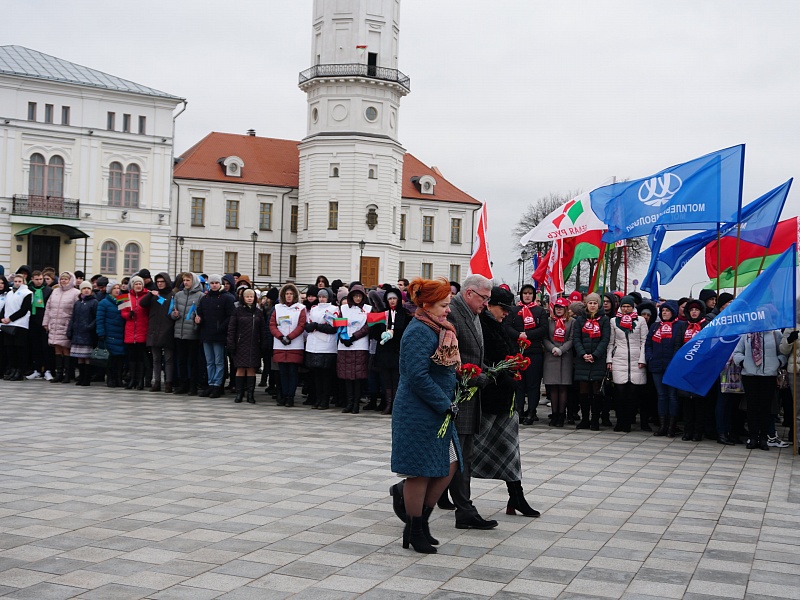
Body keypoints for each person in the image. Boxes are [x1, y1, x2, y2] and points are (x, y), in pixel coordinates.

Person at [391, 277, 462, 554]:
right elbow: (417, 376)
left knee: (450, 463)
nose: (448, 310)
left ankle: (419, 524)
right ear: (427, 304)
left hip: (439, 409)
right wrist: (444, 402)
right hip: (418, 410)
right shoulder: (419, 331)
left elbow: (440, 368)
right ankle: (416, 527)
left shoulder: (440, 328)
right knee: (419, 472)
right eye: (444, 305)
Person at [474, 286, 540, 517]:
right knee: (471, 450)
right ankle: (444, 493)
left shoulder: (499, 326)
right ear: (489, 305)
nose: (505, 313)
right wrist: (503, 375)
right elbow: (483, 359)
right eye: (502, 308)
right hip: (487, 399)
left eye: (507, 309)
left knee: (510, 451)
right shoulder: (480, 325)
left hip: (504, 399)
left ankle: (517, 496)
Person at [733, 329, 787, 450]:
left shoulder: (775, 333)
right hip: (750, 375)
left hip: (768, 375)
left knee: (765, 407)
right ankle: (753, 437)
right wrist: (743, 362)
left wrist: (778, 362)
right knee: (752, 407)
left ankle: (763, 438)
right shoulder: (746, 334)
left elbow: (782, 352)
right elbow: (737, 352)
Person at [503, 284, 547, 425]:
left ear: (534, 295)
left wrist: (527, 335)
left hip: (534, 351)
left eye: (530, 293)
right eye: (525, 293)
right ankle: (519, 410)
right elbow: (507, 326)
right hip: (517, 351)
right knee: (519, 383)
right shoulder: (514, 310)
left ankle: (532, 411)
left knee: (533, 384)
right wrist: (518, 335)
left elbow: (544, 328)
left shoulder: (540, 311)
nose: (527, 295)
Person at [606, 295, 648, 432]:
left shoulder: (640, 321)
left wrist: (642, 359)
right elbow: (611, 342)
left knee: (632, 393)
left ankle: (628, 422)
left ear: (633, 307)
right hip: (619, 359)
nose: (625, 309)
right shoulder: (613, 321)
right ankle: (620, 421)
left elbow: (644, 341)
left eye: (628, 307)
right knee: (619, 393)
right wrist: (609, 360)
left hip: (636, 360)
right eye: (623, 306)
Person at [645, 300, 686, 437]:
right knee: (661, 396)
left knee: (672, 396)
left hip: (673, 366)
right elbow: (648, 343)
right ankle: (663, 425)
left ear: (673, 312)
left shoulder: (680, 325)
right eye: (663, 311)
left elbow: (681, 344)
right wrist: (649, 357)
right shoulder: (656, 326)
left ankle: (672, 426)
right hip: (657, 365)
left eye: (667, 311)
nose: (665, 313)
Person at [573, 293, 611, 430]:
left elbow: (605, 339)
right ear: (586, 304)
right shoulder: (579, 320)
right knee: (583, 391)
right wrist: (583, 354)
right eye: (590, 303)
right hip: (583, 360)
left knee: (596, 391)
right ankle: (584, 419)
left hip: (597, 360)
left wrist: (595, 355)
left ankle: (595, 419)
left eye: (595, 303)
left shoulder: (604, 320)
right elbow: (576, 338)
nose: (593, 305)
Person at [371, 287, 409, 415]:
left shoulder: (405, 314)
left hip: (397, 350)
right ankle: (388, 404)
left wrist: (394, 333)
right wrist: (381, 334)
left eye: (394, 298)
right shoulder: (382, 313)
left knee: (397, 379)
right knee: (385, 379)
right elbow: (374, 330)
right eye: (390, 299)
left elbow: (406, 331)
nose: (392, 301)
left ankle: (396, 405)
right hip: (384, 350)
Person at [196, 274, 235, 398]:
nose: (214, 285)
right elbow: (200, 313)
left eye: (216, 283)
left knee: (219, 361)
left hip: (219, 335)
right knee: (209, 361)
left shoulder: (227, 298)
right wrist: (198, 319)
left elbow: (230, 316)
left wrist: (220, 328)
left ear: (220, 284)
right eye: (212, 283)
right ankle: (210, 383)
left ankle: (218, 385)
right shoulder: (205, 298)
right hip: (206, 334)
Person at [227, 288, 268, 404]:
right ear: (243, 298)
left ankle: (250, 394)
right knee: (240, 368)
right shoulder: (237, 311)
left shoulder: (258, 312)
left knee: (251, 368)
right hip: (240, 344)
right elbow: (231, 328)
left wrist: (264, 343)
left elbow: (263, 330)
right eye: (247, 296)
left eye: (252, 296)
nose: (250, 298)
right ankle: (239, 394)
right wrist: (231, 343)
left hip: (254, 344)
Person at [269, 283, 306, 407]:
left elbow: (301, 325)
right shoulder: (278, 308)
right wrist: (280, 336)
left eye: (291, 294)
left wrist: (290, 337)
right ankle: (284, 395)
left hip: (294, 345)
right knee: (282, 372)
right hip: (280, 344)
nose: (289, 296)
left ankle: (291, 396)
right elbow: (272, 325)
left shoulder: (301, 308)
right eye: (287, 294)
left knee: (293, 372)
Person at [337, 284, 371, 413]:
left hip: (359, 345)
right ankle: (349, 402)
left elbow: (367, 327)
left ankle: (356, 403)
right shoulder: (344, 308)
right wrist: (343, 338)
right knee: (347, 376)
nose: (357, 298)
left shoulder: (368, 309)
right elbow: (340, 323)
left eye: (359, 296)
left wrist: (354, 337)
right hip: (345, 346)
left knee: (357, 376)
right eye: (355, 296)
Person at [304, 287, 339, 409]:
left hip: (327, 346)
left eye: (324, 296)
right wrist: (311, 326)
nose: (321, 299)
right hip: (313, 345)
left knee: (326, 375)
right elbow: (308, 324)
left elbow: (333, 327)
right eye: (320, 297)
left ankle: (325, 399)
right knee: (316, 375)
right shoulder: (314, 309)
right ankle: (318, 398)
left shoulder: (334, 309)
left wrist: (317, 326)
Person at [679, 299, 709, 441]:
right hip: (685, 367)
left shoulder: (706, 325)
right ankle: (687, 430)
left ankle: (698, 431)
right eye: (691, 310)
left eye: (696, 310)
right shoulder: (684, 326)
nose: (694, 312)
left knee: (699, 402)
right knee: (687, 401)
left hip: (701, 368)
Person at [42, 272, 80, 383]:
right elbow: (48, 308)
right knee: (57, 348)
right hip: (54, 324)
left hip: (66, 324)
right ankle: (59, 373)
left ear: (70, 280)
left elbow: (77, 311)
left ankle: (67, 374)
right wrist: (46, 323)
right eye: (62, 279)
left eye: (66, 279)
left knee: (65, 348)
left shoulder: (75, 293)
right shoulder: (55, 291)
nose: (63, 281)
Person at [140, 272, 175, 392]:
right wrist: (151, 295)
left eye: (162, 282)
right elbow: (142, 304)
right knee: (156, 359)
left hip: (168, 329)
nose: (160, 284)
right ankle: (157, 382)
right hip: (154, 330)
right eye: (158, 282)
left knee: (169, 359)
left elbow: (171, 309)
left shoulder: (172, 295)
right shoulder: (154, 294)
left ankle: (168, 382)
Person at [543, 297, 575, 427]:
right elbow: (544, 337)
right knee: (553, 387)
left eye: (561, 308)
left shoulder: (571, 322)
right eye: (557, 307)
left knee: (563, 387)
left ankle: (562, 415)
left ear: (566, 309)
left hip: (565, 356)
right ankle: (554, 414)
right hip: (551, 356)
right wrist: (552, 348)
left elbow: (572, 338)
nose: (559, 310)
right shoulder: (549, 321)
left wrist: (562, 349)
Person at [171, 272, 203, 395]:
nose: (185, 282)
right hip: (180, 332)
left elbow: (201, 314)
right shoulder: (178, 295)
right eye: (184, 280)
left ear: (193, 281)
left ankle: (193, 385)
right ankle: (182, 384)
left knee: (192, 361)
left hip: (192, 334)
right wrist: (174, 315)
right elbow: (173, 311)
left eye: (188, 280)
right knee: (181, 360)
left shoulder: (200, 296)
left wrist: (197, 323)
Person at [0, 273, 33, 380]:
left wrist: (10, 318)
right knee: (10, 348)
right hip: (8, 325)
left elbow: (24, 310)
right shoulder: (9, 293)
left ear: (23, 282)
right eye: (15, 281)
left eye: (20, 281)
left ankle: (20, 370)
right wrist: (3, 318)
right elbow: (6, 307)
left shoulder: (27, 293)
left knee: (20, 349)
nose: (17, 283)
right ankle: (12, 368)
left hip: (20, 324)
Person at [120, 275, 150, 390]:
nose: (138, 286)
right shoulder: (124, 296)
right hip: (130, 331)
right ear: (132, 285)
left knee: (141, 357)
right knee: (131, 357)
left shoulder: (147, 295)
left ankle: (140, 381)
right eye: (136, 284)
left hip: (143, 330)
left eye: (140, 284)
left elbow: (159, 304)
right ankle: (132, 379)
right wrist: (128, 315)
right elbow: (122, 312)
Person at [67, 281, 98, 386]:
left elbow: (96, 317)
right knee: (79, 356)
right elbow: (73, 317)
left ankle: (87, 378)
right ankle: (81, 376)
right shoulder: (78, 303)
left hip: (87, 333)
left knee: (87, 357)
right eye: (84, 288)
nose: (86, 290)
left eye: (88, 288)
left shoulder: (94, 302)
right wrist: (70, 329)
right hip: (77, 332)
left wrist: (90, 326)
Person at [96, 280, 126, 387]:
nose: (117, 290)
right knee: (111, 358)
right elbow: (100, 319)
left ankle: (118, 378)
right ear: (110, 290)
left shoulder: (123, 301)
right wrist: (101, 332)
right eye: (114, 288)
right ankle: (110, 379)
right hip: (110, 334)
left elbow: (127, 315)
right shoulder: (104, 303)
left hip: (121, 334)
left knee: (120, 359)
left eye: (118, 288)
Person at [26, 270, 53, 380]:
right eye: (36, 279)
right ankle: (37, 369)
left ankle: (48, 370)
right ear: (32, 279)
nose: (39, 281)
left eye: (41, 279)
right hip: (32, 321)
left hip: (44, 321)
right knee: (35, 347)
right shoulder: (28, 290)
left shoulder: (48, 290)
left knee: (46, 347)